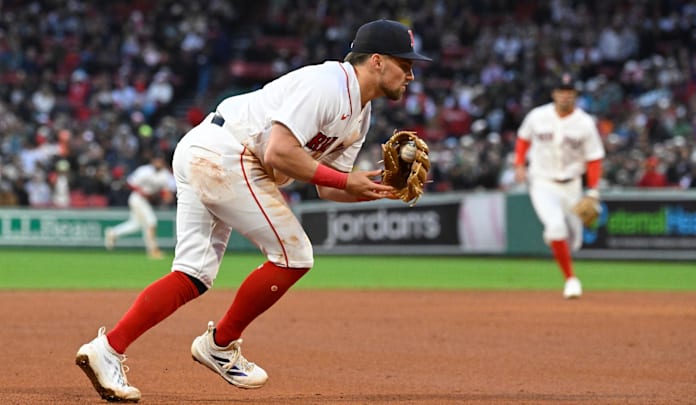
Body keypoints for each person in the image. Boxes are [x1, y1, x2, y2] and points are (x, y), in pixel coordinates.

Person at [75, 19, 431, 402]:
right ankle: (221, 345)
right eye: (404, 63)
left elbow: (328, 187)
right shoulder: (330, 84)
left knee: (192, 275)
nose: (410, 73)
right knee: (295, 256)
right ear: (376, 61)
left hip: (210, 149)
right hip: (228, 152)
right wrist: (349, 182)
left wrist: (379, 189)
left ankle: (107, 349)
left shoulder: (360, 115)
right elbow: (279, 151)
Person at [513, 72, 605, 299]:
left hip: (572, 185)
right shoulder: (537, 116)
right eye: (561, 92)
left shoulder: (585, 123)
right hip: (542, 182)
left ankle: (555, 236)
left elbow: (594, 158)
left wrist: (592, 191)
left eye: (569, 92)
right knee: (556, 227)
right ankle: (571, 280)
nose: (565, 96)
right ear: (554, 94)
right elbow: (523, 138)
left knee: (574, 243)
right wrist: (519, 164)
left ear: (575, 95)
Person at [104, 155, 175, 259]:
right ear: (153, 161)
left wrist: (166, 197)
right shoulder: (144, 170)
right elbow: (130, 182)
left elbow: (167, 191)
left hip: (146, 201)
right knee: (151, 222)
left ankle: (113, 232)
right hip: (137, 198)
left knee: (135, 225)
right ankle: (153, 251)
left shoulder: (165, 175)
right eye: (156, 161)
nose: (158, 163)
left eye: (160, 161)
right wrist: (141, 191)